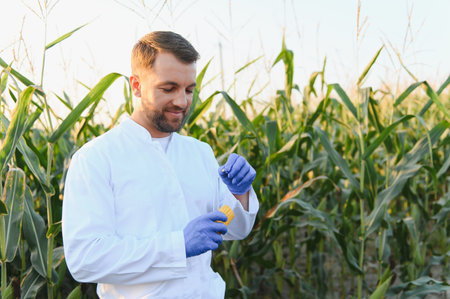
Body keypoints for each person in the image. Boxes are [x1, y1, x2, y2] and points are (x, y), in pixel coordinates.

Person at [62, 31, 259, 298]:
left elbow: (235, 229)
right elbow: (85, 260)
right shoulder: (96, 158)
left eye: (189, 90)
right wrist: (178, 246)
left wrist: (240, 193)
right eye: (168, 88)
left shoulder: (200, 152)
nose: (182, 101)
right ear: (137, 85)